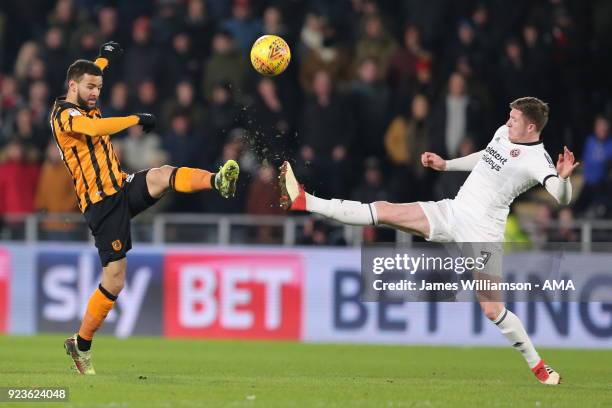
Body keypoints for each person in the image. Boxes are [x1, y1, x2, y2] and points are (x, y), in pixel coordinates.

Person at [280, 97, 578, 385]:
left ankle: (538, 365)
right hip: (452, 211)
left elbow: (560, 196)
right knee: (384, 211)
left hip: (483, 233)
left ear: (530, 127)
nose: (507, 122)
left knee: (492, 309)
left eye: (514, 120)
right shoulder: (502, 133)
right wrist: (446, 164)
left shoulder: (538, 160)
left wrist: (563, 179)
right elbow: (487, 157)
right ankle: (305, 200)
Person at [53, 42, 240, 375]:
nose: (96, 92)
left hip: (121, 186)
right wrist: (134, 118)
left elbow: (95, 68)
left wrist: (106, 56)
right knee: (115, 281)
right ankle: (79, 345)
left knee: (163, 175)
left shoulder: (86, 89)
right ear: (72, 86)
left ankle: (217, 180)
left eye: (99, 87)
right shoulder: (64, 116)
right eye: (90, 87)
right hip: (101, 205)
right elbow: (95, 128)